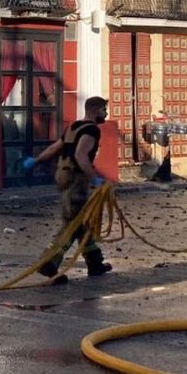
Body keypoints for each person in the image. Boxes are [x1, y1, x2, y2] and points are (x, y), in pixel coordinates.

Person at [22, 96, 113, 282]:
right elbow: (81, 155)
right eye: (104, 110)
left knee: (81, 223)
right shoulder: (91, 130)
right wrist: (94, 178)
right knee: (73, 223)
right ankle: (49, 263)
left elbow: (55, 148)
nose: (106, 113)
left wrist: (36, 161)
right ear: (96, 111)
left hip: (63, 176)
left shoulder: (74, 127)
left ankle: (95, 263)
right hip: (76, 179)